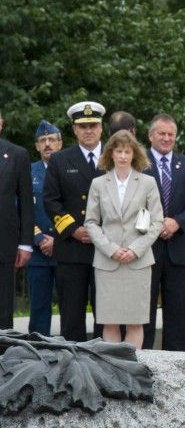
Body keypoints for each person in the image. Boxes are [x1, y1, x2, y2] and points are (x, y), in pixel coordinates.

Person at [84, 131, 164, 349]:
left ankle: (132, 371)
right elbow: (91, 222)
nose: (122, 156)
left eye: (127, 151)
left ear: (134, 154)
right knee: (109, 321)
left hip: (137, 262)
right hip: (108, 262)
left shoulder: (147, 182)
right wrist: (111, 250)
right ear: (110, 153)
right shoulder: (98, 183)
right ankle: (114, 371)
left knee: (135, 322)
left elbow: (158, 221)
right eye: (118, 151)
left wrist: (135, 249)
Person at [44, 101, 107, 341]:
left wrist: (101, 232)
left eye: (93, 125)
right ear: (74, 130)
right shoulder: (60, 160)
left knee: (107, 317)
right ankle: (73, 371)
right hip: (72, 249)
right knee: (71, 317)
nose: (88, 130)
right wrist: (74, 229)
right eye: (83, 126)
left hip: (106, 249)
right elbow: (51, 201)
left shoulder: (115, 157)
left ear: (101, 128)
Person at [144, 114, 185, 351]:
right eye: (162, 133)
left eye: (171, 134)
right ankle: (144, 364)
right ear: (151, 135)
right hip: (147, 249)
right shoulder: (139, 164)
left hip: (180, 251)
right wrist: (156, 224)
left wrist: (176, 223)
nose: (167, 138)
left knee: (180, 316)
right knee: (144, 314)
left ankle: (178, 366)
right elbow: (132, 204)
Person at [28, 120, 63, 335]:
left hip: (66, 249)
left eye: (52, 139)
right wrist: (39, 238)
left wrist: (58, 240)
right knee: (38, 309)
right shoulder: (27, 171)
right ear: (37, 146)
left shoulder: (71, 167)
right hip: (38, 252)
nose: (47, 144)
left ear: (61, 143)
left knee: (71, 308)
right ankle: (37, 355)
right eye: (43, 140)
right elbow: (21, 209)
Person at [0, 111, 34, 328]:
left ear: (1, 123)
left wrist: (25, 243)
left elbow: (26, 202)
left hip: (4, 243)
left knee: (3, 311)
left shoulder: (17, 154)